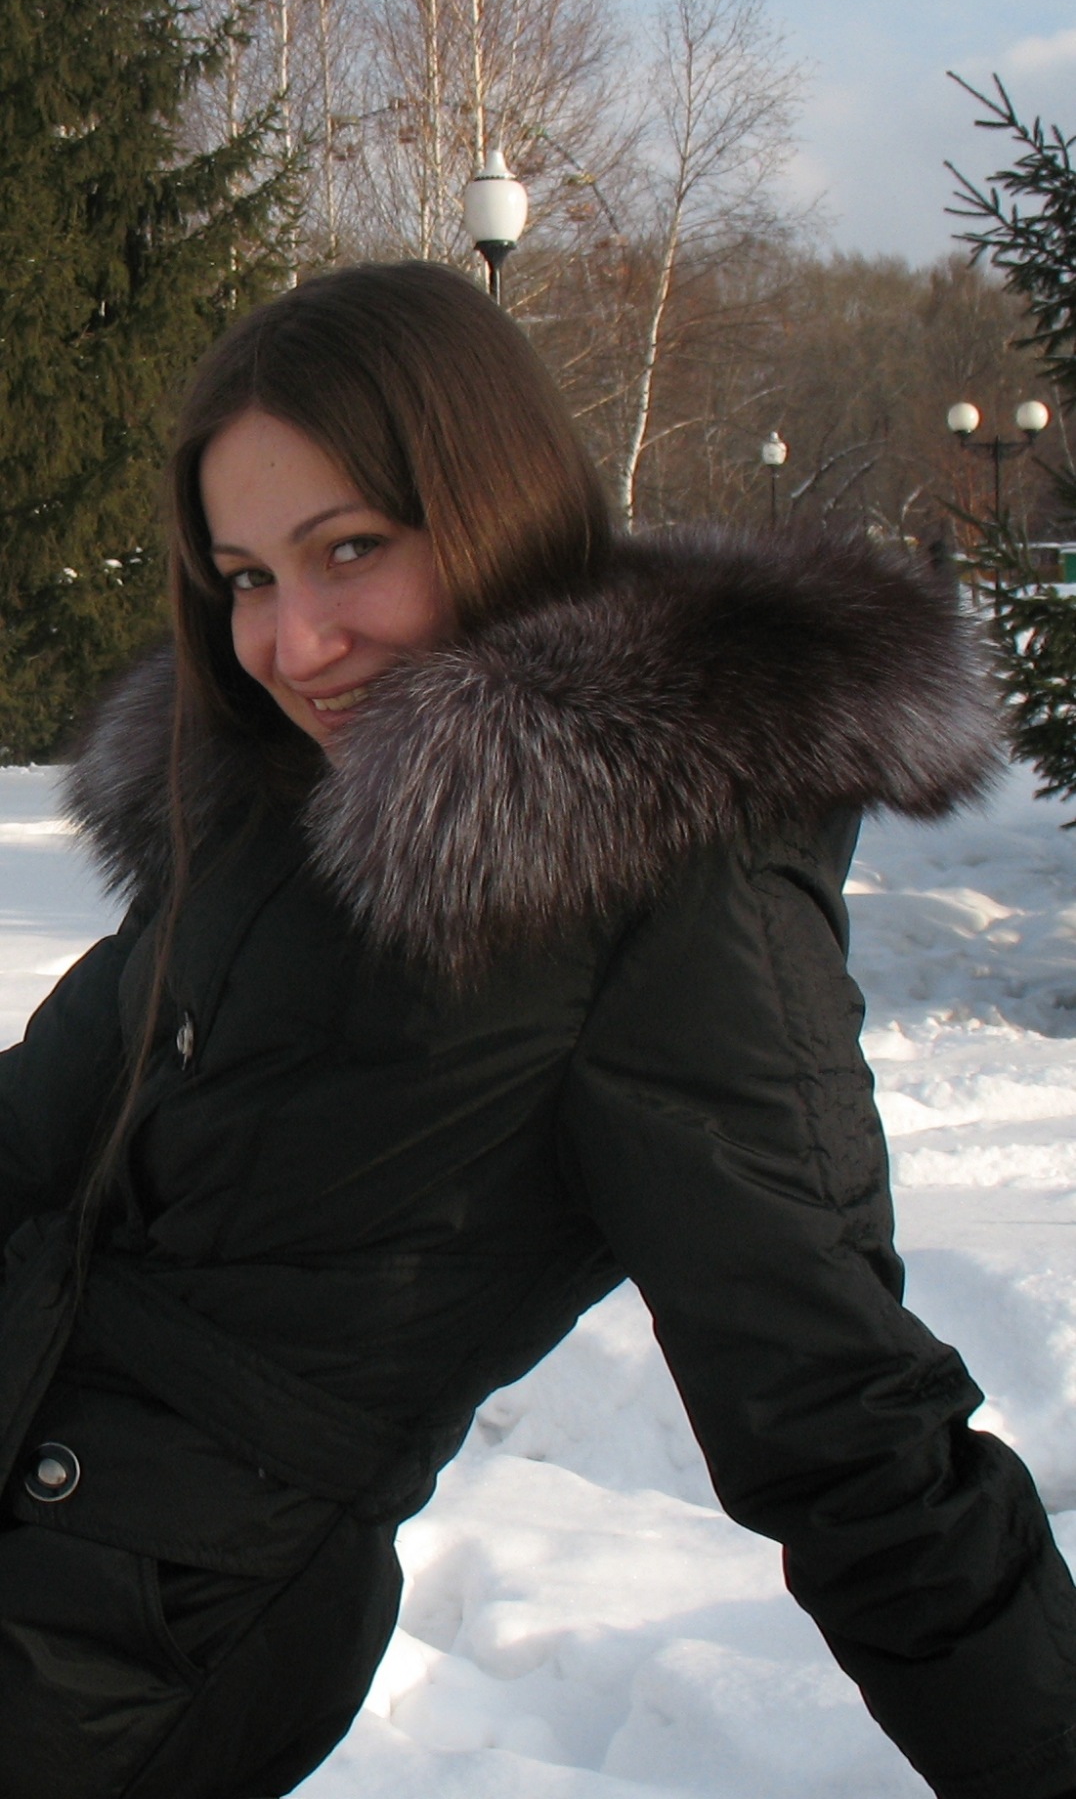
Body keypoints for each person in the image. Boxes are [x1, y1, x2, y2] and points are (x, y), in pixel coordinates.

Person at [0, 260, 1073, 1799]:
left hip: (136, 1643)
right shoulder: (271, 799)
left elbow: (847, 1426)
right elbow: (39, 1128)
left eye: (350, 550)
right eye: (245, 577)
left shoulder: (658, 877)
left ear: (491, 507)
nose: (293, 641)